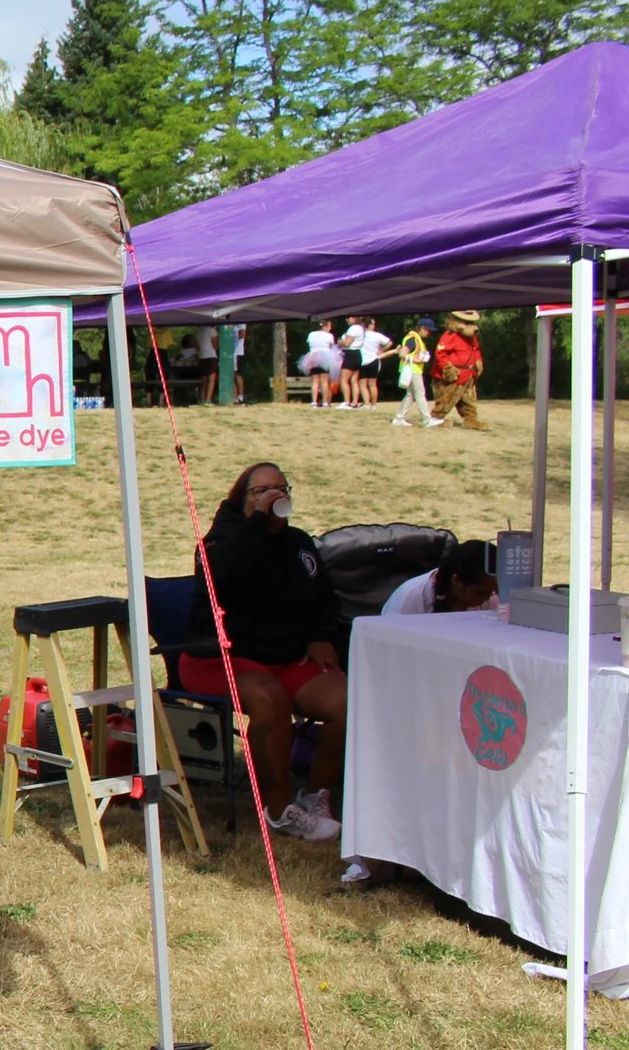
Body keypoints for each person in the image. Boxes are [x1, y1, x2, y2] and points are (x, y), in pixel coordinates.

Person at [185, 462, 346, 840]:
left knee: (345, 698)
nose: (275, 495)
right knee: (269, 698)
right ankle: (278, 809)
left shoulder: (300, 544)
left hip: (285, 657)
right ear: (242, 499)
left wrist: (321, 636)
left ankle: (313, 797)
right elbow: (228, 575)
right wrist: (257, 522)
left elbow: (325, 599)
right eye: (262, 490)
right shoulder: (219, 543)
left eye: (281, 488)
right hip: (219, 655)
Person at [382, 538, 497, 616]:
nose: (487, 599)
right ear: (456, 581)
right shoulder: (411, 599)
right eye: (480, 593)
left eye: (493, 591)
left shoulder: (489, 595)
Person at [431, 309, 486, 429]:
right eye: (468, 323)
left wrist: (478, 361)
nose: (474, 327)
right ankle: (436, 418)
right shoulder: (450, 335)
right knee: (447, 398)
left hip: (469, 374)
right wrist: (447, 368)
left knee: (468, 400)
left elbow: (476, 350)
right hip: (455, 375)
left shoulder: (472, 337)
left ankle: (470, 419)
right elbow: (440, 353)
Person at [393, 318, 440, 427]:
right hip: (412, 370)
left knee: (410, 395)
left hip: (412, 370)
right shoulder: (413, 339)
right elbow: (402, 354)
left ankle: (399, 418)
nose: (429, 333)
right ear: (422, 328)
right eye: (429, 330)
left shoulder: (415, 339)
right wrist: (415, 359)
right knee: (420, 394)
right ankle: (427, 419)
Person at [300, 320, 343, 409]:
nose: (330, 328)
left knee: (315, 381)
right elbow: (331, 347)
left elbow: (309, 344)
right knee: (324, 381)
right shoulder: (329, 336)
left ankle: (314, 402)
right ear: (324, 327)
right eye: (329, 326)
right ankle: (325, 402)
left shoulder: (311, 334)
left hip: (312, 357)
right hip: (325, 357)